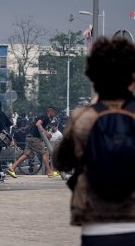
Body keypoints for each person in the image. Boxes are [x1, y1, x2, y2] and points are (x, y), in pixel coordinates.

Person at [53, 38, 135, 246]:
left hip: (96, 225)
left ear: (94, 78)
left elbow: (61, 162)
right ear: (131, 78)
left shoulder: (82, 118)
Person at [7, 107, 58, 178]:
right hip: (34, 138)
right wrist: (46, 133)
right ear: (51, 112)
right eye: (54, 113)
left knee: (27, 155)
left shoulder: (43, 117)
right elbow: (38, 124)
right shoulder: (45, 117)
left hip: (29, 137)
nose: (54, 115)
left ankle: (12, 168)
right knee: (44, 153)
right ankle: (49, 172)